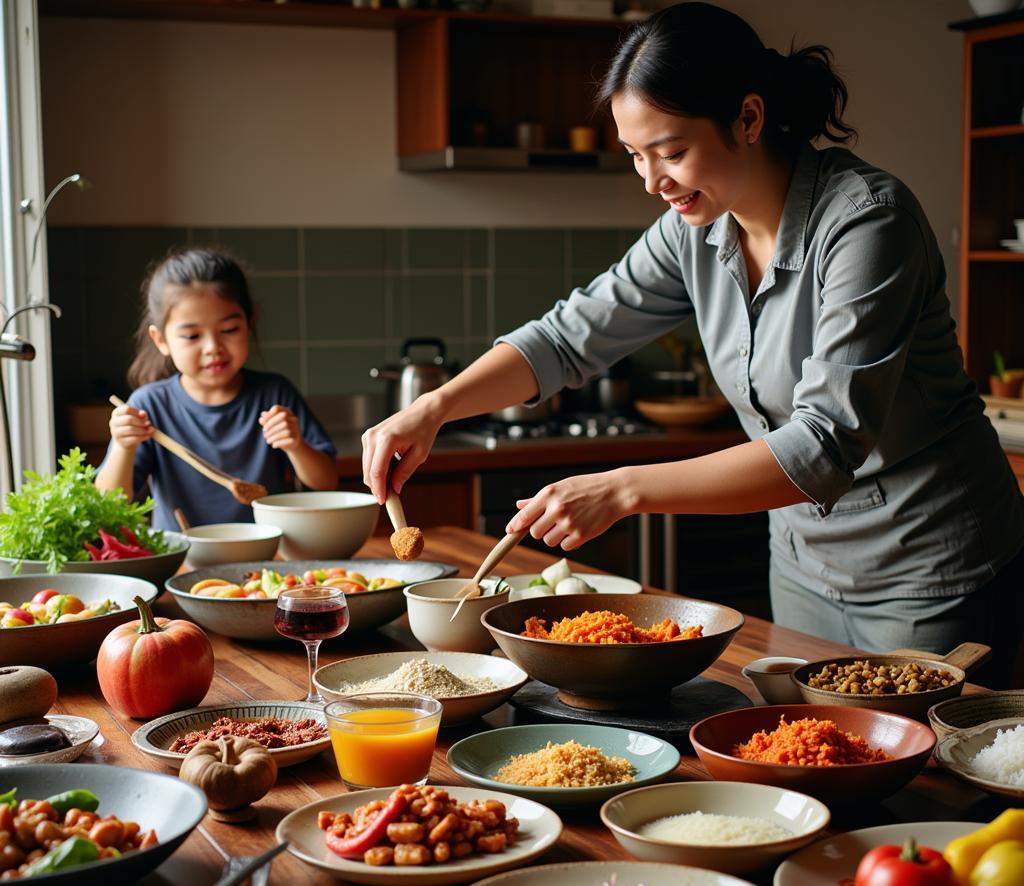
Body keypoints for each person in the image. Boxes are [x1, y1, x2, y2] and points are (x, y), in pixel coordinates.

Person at [363, 3, 1024, 685]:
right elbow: (567, 338)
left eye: (671, 152)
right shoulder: (694, 231)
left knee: (925, 784)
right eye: (635, 156)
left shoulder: (866, 223)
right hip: (802, 566)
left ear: (748, 117)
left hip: (929, 570)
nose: (652, 181)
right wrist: (434, 408)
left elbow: (824, 444)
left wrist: (623, 490)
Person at [97, 248, 338, 531]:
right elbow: (109, 506)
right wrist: (125, 447)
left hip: (265, 561)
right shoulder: (149, 405)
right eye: (192, 336)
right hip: (183, 562)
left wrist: (296, 446)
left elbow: (326, 482)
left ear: (250, 323)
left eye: (229, 330)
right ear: (160, 340)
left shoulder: (274, 394)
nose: (213, 348)